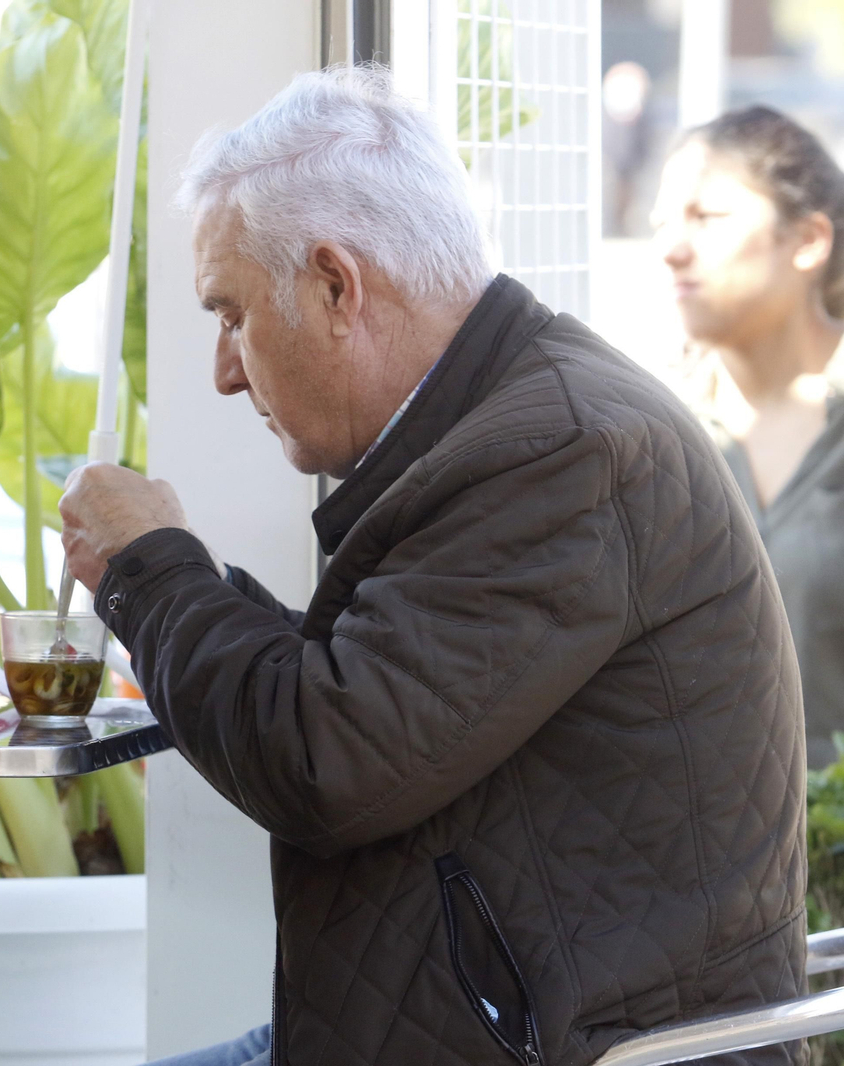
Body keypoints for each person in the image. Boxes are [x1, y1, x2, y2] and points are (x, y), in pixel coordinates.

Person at [59, 68, 805, 1066]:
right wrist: (186, 594)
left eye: (230, 314)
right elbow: (376, 695)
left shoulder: (562, 454)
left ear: (335, 285)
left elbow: (323, 758)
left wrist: (150, 569)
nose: (225, 369)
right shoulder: (516, 424)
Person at [652, 105, 844, 769]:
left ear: (809, 240)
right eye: (664, 224)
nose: (671, 248)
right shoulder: (647, 435)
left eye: (706, 218)